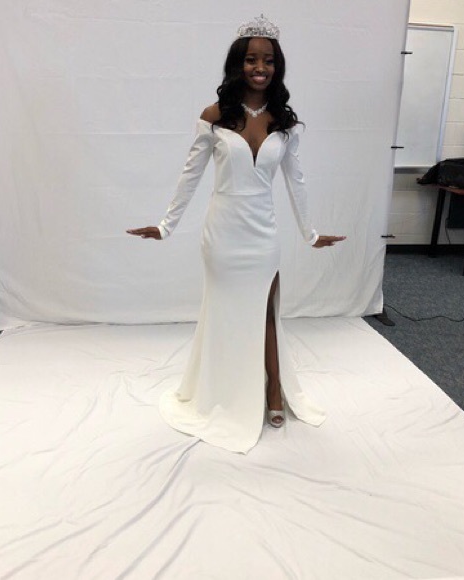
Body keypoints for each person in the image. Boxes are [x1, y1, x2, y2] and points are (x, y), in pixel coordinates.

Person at [127, 15, 345, 453]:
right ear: (238, 65)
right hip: (223, 234)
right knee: (225, 314)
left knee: (266, 312)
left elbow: (296, 181)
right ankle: (223, 393)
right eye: (251, 60)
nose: (259, 67)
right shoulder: (214, 117)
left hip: (263, 234)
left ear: (277, 67)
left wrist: (310, 233)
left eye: (268, 61)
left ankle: (273, 390)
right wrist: (166, 226)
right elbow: (190, 175)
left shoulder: (284, 122)